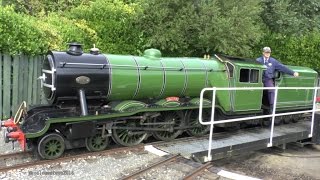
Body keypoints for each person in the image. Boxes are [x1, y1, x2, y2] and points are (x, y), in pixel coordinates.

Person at [256, 47, 299, 112]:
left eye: (269, 52)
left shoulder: (273, 61)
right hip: (258, 79)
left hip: (268, 79)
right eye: (266, 52)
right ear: (263, 53)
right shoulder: (258, 60)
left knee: (272, 89)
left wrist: (293, 73)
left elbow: (282, 67)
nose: (267, 54)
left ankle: (272, 107)